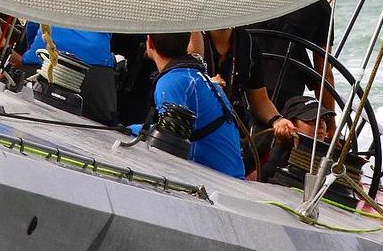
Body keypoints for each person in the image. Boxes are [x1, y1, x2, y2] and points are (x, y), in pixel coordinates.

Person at [131, 32, 246, 178]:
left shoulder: (171, 82)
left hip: (215, 178)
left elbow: (169, 143)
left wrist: (129, 130)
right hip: (232, 175)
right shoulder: (194, 76)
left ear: (149, 42)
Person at [202, 27, 298, 177]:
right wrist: (203, 85)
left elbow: (259, 100)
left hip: (232, 136)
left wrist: (277, 120)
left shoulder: (249, 45)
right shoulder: (192, 37)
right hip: (197, 128)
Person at [21, 26, 118, 126]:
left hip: (41, 56)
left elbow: (33, 23)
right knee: (105, 124)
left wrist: (31, 53)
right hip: (93, 68)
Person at [253, 0, 337, 113]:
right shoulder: (318, 4)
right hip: (288, 97)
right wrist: (330, 123)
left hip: (242, 90)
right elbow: (323, 72)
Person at [257, 95, 338, 183]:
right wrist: (279, 144)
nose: (321, 125)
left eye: (323, 119)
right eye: (313, 119)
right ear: (291, 124)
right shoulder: (272, 160)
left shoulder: (335, 160)